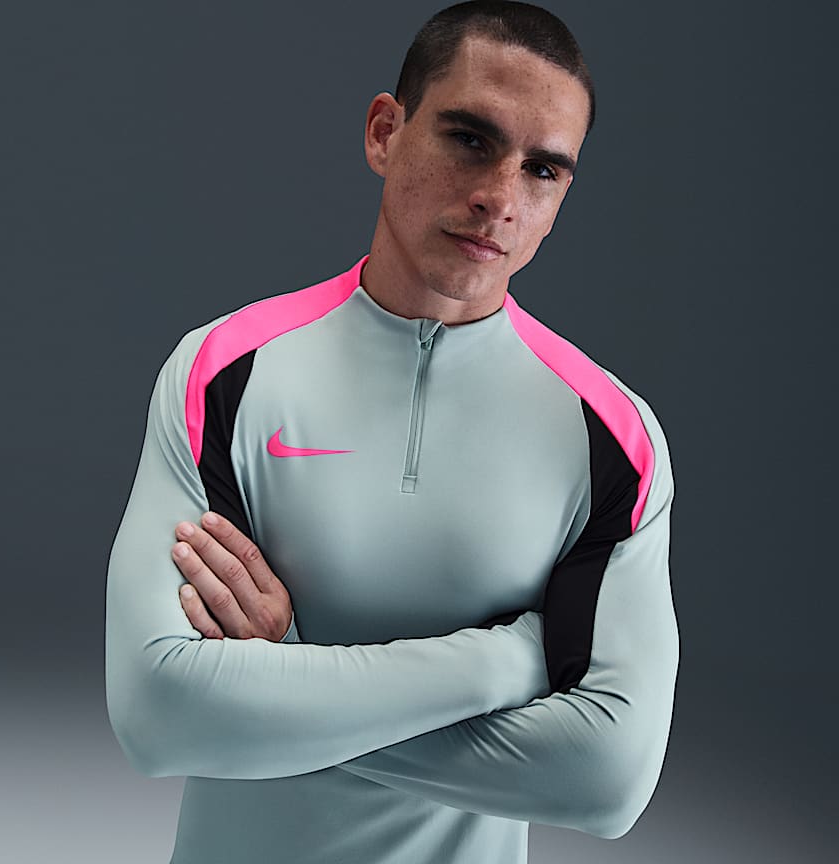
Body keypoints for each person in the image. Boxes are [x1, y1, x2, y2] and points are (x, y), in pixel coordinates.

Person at [105, 2, 679, 862]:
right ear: (385, 133)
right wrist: (505, 663)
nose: (499, 199)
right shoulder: (223, 372)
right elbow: (156, 715)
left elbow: (606, 784)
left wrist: (280, 668)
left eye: (542, 170)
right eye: (471, 139)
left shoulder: (611, 437)